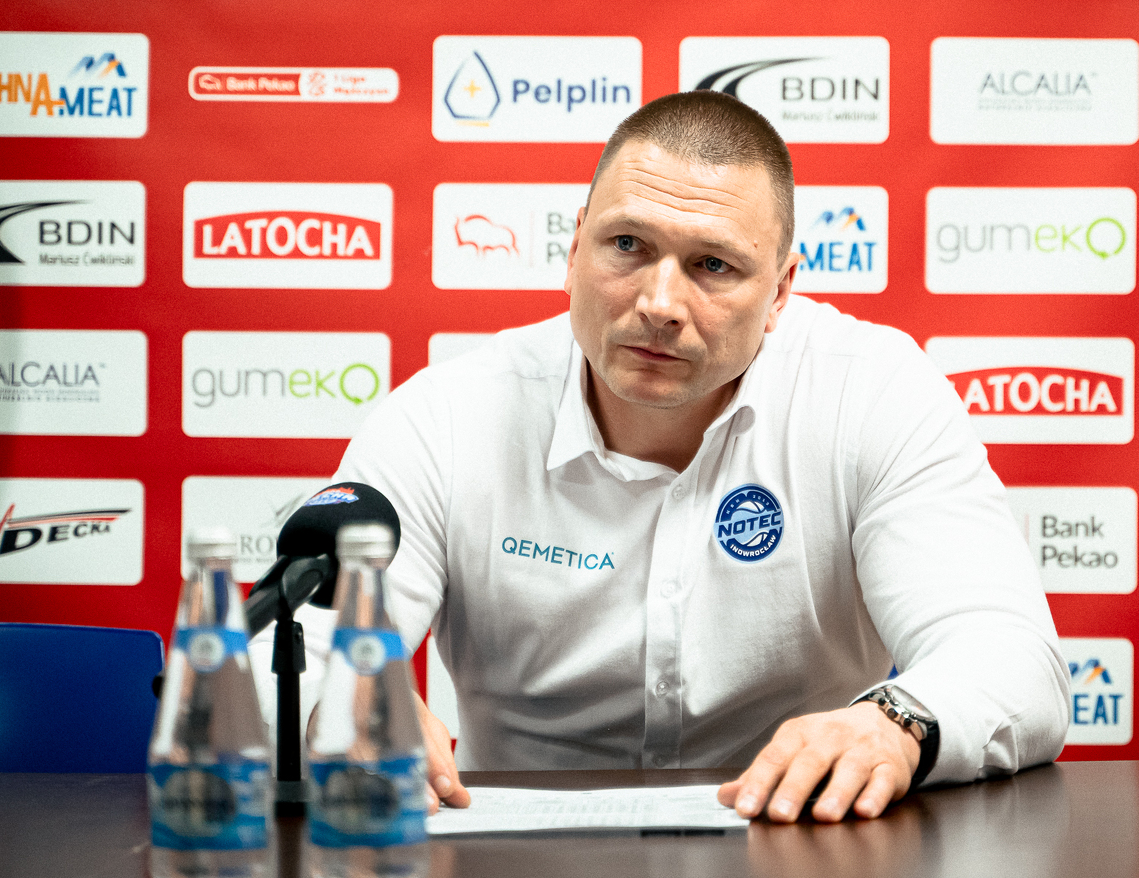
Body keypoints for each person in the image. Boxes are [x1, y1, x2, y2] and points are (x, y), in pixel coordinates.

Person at [267, 91, 1069, 824]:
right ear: (574, 249)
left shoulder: (872, 391)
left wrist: (892, 723)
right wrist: (342, 704)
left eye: (712, 265)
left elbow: (1009, 659)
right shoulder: (447, 417)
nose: (658, 304)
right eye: (626, 245)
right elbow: (297, 650)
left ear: (780, 293)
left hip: (799, 842)